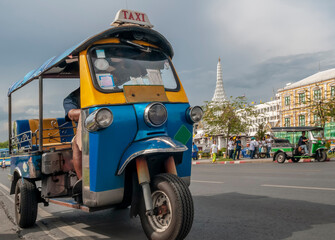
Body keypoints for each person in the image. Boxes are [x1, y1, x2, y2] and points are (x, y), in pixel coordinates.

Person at [63, 88, 82, 195]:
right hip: (87, 130)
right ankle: (83, 181)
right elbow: (72, 114)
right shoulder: (71, 98)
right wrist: (94, 110)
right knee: (76, 142)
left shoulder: (106, 91)